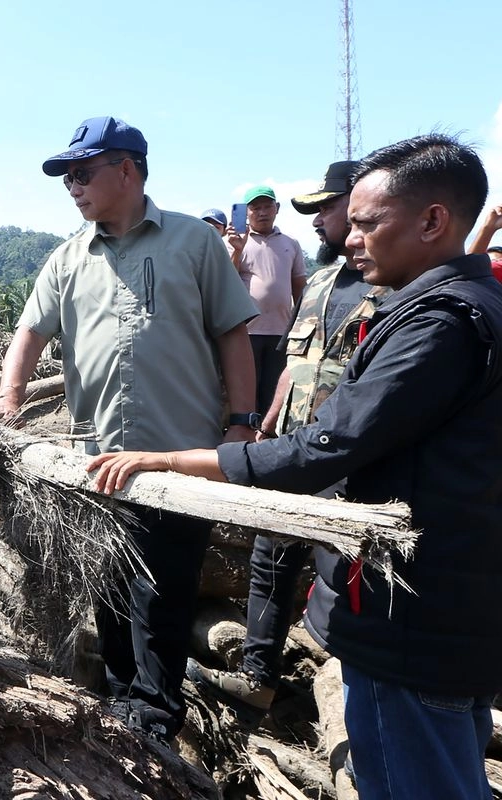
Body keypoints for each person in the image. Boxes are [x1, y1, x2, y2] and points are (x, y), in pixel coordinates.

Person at [89, 133, 502, 800]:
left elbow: (322, 451)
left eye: (369, 223)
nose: (351, 237)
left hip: (413, 620)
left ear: (432, 221)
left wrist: (171, 458)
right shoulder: (459, 308)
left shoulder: (442, 325)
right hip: (444, 609)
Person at [0, 115, 259, 744]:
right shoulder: (67, 259)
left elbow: (233, 333)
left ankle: (157, 715)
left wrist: (242, 423)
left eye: (83, 174)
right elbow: (30, 333)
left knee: (165, 591)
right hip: (96, 456)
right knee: (109, 583)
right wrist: (8, 397)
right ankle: (116, 697)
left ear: (128, 170)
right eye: (67, 179)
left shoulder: (194, 244)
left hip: (178, 457)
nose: (73, 187)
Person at [189, 160, 391, 721]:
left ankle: (354, 695)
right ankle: (258, 677)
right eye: (321, 211)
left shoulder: (397, 286)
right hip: (295, 445)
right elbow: (296, 360)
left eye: (328, 207)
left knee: (345, 572)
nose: (321, 220)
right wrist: (268, 415)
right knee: (270, 559)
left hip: (355, 462)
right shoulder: (324, 280)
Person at [227, 185, 308, 414]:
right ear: (247, 212)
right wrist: (236, 250)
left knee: (273, 392)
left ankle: (267, 437)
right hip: (246, 331)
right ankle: (245, 437)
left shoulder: (290, 244)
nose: (262, 212)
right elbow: (225, 283)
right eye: (255, 207)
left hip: (281, 332)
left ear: (277, 208)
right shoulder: (234, 241)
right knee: (245, 390)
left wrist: (302, 323)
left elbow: (299, 286)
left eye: (267, 206)